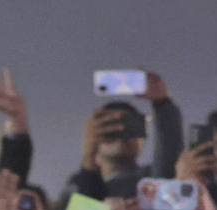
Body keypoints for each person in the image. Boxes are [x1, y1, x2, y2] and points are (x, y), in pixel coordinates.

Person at [66, 71, 183, 201]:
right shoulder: (75, 187)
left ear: (143, 136)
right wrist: (88, 161)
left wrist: (163, 104)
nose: (121, 131)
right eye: (110, 125)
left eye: (131, 125)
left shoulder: (150, 180)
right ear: (92, 135)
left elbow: (167, 171)